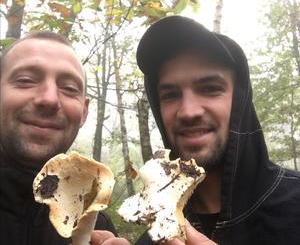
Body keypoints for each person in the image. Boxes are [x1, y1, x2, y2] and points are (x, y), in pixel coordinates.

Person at [133, 15, 300, 244]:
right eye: (171, 95)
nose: (188, 111)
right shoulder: (156, 237)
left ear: (239, 100)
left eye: (210, 88)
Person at [0, 31, 128, 245]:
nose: (49, 99)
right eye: (26, 80)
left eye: (69, 89)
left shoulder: (96, 225)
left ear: (84, 112)